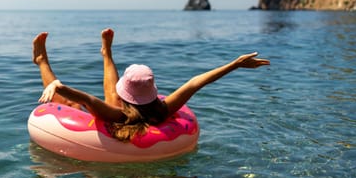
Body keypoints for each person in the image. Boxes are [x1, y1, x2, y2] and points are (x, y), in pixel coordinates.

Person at [33, 28, 270, 142]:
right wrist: (235, 64)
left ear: (126, 94)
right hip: (147, 134)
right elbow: (196, 82)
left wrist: (57, 86)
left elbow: (85, 99)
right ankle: (106, 53)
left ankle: (42, 62)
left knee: (72, 103)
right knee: (101, 99)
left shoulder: (116, 115)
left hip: (111, 138)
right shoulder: (166, 109)